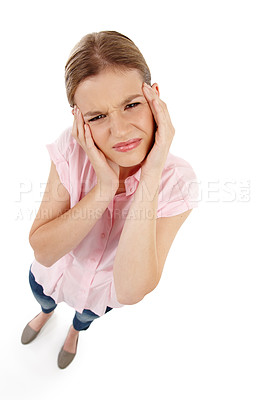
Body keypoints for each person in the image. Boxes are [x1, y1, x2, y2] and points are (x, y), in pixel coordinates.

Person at [21, 30, 199, 369]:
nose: (119, 130)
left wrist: (150, 173)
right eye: (97, 116)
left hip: (96, 294)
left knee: (84, 317)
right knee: (43, 298)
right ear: (78, 119)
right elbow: (43, 250)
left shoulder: (177, 181)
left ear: (155, 98)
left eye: (131, 105)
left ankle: (73, 332)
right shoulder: (72, 148)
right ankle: (45, 314)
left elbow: (132, 290)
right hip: (52, 275)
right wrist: (103, 188)